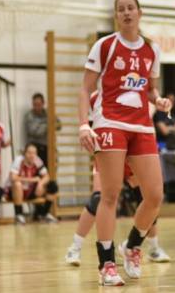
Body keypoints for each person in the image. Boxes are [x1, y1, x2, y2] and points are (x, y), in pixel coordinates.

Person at [77, 0, 171, 286]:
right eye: (121, 9)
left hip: (142, 125)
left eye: (131, 8)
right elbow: (85, 89)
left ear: (140, 13)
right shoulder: (105, 46)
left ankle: (132, 245)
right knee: (110, 194)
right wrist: (84, 125)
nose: (126, 13)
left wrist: (159, 100)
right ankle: (106, 265)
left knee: (154, 195)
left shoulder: (152, 49)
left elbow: (150, 90)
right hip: (110, 122)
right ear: (116, 16)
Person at [66, 95, 169, 267]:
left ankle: (152, 247)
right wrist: (85, 129)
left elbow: (150, 109)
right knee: (99, 198)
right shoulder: (98, 95)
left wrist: (157, 102)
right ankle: (75, 247)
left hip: (136, 149)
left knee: (149, 198)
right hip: (111, 145)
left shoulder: (139, 92)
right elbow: (89, 118)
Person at [7, 143, 58, 224]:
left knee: (52, 185)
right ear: (24, 153)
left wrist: (40, 183)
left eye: (34, 153)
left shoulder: (37, 160)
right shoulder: (18, 160)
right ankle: (19, 215)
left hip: (30, 190)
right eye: (29, 153)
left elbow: (46, 176)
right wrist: (32, 180)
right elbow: (12, 177)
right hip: (15, 191)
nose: (32, 155)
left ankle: (44, 213)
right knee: (17, 184)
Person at [24, 92, 60, 165]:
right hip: (35, 148)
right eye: (34, 105)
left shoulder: (48, 113)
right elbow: (36, 132)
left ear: (43, 104)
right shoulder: (29, 116)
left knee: (51, 167)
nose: (36, 107)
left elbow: (59, 126)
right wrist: (48, 124)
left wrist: (44, 124)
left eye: (39, 104)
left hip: (48, 147)